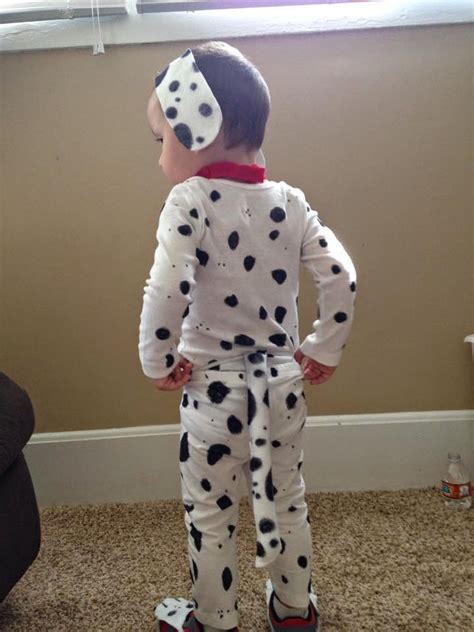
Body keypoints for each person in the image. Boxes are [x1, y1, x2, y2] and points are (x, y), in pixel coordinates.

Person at [139, 41, 357, 632]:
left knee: (210, 512)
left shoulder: (188, 200)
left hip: (212, 394)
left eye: (162, 140)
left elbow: (166, 287)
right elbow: (341, 276)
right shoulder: (290, 202)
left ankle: (215, 619)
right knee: (286, 497)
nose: (159, 158)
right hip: (281, 386)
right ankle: (293, 610)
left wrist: (158, 360)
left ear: (198, 129)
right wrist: (323, 347)